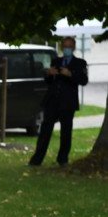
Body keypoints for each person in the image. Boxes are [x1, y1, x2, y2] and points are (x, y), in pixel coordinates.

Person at [28, 36, 89, 167]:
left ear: (73, 48)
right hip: (52, 102)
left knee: (66, 132)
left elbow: (84, 80)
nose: (66, 49)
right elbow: (49, 82)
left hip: (68, 103)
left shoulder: (80, 63)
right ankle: (36, 159)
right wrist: (49, 74)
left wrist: (70, 74)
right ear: (61, 47)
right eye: (64, 46)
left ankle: (62, 159)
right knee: (45, 131)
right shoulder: (56, 61)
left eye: (69, 46)